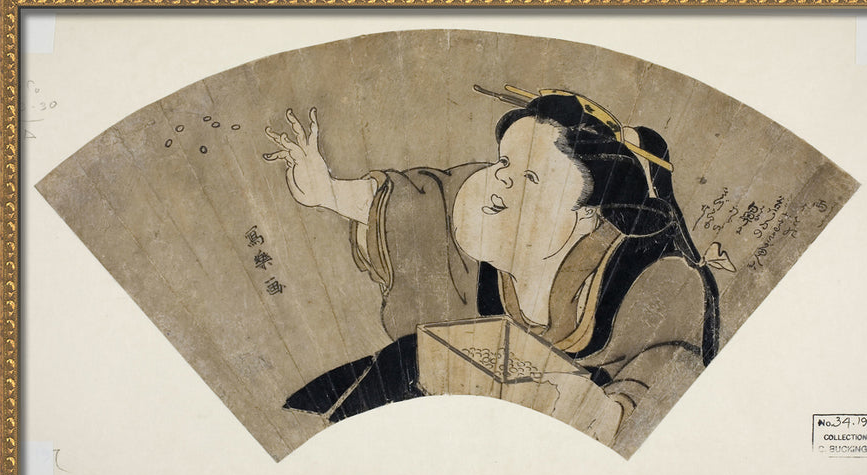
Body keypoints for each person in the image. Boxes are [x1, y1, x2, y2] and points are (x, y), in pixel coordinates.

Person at [264, 88, 720, 427]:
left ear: (588, 211)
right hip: (483, 403)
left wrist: (606, 412)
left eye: (532, 177)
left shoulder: (654, 275)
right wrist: (328, 192)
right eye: (503, 163)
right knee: (392, 367)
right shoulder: (488, 210)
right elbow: (422, 203)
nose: (501, 179)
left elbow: (670, 372)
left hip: (574, 427)